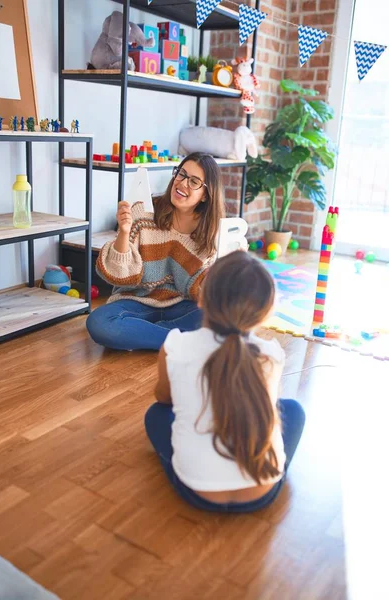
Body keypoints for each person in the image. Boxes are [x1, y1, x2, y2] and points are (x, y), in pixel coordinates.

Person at [145, 251, 306, 513]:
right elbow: (265, 406)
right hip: (263, 491)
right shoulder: (271, 353)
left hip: (196, 491)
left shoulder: (176, 345)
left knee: (155, 415)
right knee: (294, 411)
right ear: (265, 312)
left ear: (202, 299)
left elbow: (163, 400)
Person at [86, 152, 225, 351]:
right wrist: (124, 233)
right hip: (136, 302)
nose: (183, 183)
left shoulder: (210, 234)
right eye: (182, 174)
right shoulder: (144, 214)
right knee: (99, 323)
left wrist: (223, 272)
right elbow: (117, 276)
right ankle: (177, 341)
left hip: (181, 306)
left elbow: (203, 293)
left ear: (206, 194)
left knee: (215, 318)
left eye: (194, 181)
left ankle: (145, 335)